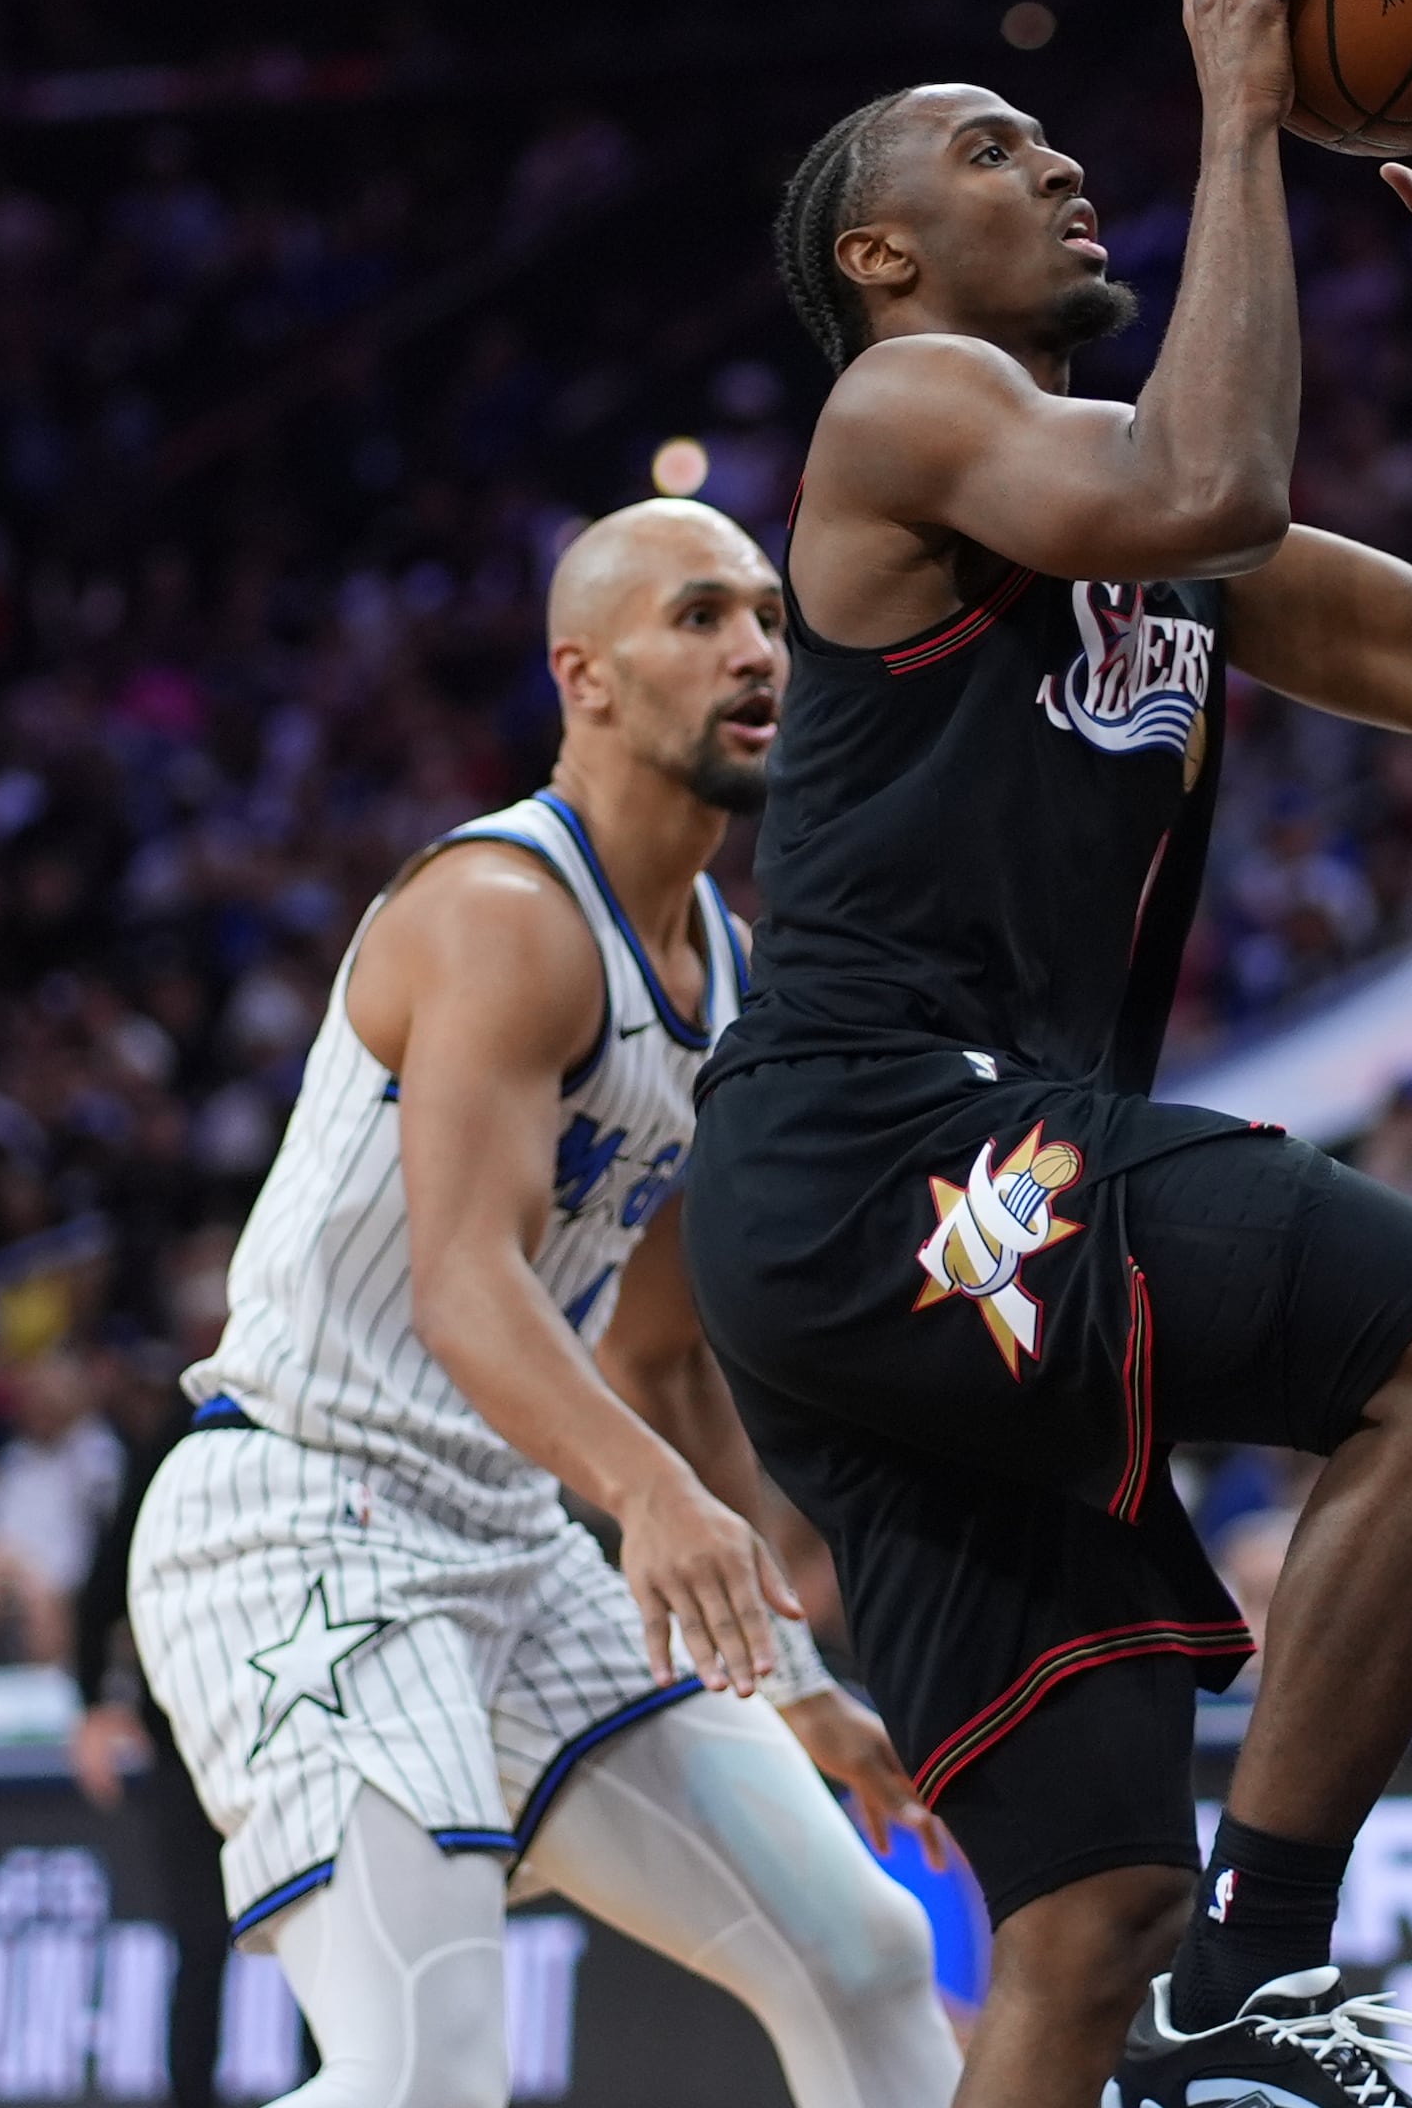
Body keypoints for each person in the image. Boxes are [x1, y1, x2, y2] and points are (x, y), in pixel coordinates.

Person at [701, 0, 1412, 2100]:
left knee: (1088, 1914)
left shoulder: (1153, 509)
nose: (1060, 164)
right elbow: (1209, 482)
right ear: (886, 255)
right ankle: (1275, 1966)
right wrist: (1245, 102)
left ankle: (1196, 1975)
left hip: (934, 1215)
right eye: (993, 147)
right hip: (882, 1152)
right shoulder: (902, 405)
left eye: (1052, 138)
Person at [125, 502, 961, 2108]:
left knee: (861, 1959)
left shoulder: (731, 975)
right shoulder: (504, 911)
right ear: (584, 676)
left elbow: (653, 1348)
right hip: (303, 1520)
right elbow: (464, 1288)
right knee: (423, 2076)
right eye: (701, 617)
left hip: (509, 1534)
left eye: (772, 619)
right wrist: (653, 1499)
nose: (756, 652)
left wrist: (787, 1677)